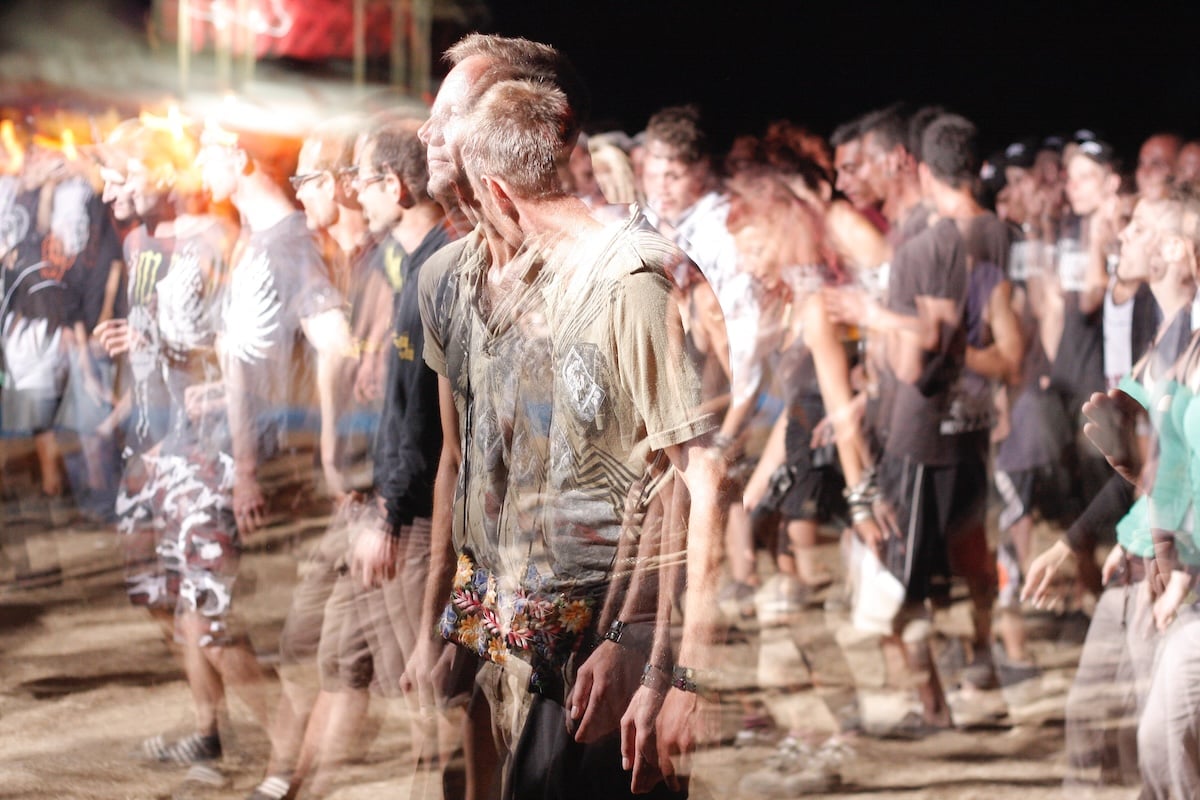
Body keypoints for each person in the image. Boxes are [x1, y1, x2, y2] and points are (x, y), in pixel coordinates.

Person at [196, 119, 358, 797]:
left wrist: (279, 454)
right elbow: (257, 350)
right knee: (212, 617)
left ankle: (287, 759)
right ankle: (285, 760)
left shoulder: (290, 241)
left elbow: (335, 341)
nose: (197, 167)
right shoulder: (257, 241)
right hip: (246, 457)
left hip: (273, 467)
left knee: (234, 622)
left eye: (204, 152)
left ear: (236, 154)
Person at [1024, 190, 1198, 787]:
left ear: (1177, 248)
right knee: (1091, 730)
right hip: (1136, 558)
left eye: (1140, 227)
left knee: (1160, 753)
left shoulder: (1192, 346)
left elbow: (1176, 471)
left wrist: (1180, 567)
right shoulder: (1165, 341)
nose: (1123, 236)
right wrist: (1075, 541)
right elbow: (1146, 469)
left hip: (1170, 571)